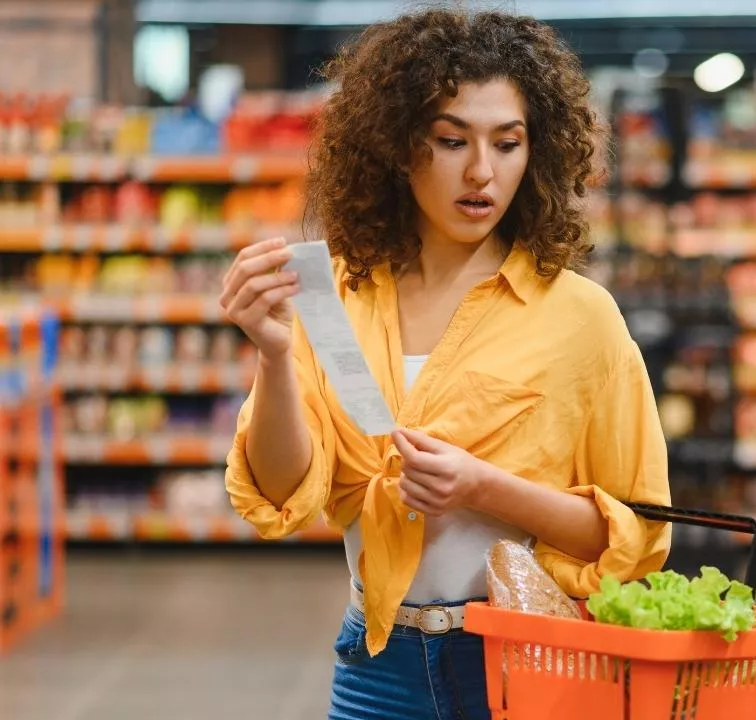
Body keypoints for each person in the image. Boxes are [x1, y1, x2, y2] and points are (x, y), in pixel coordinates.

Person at [220, 9, 672, 720]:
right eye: (452, 140)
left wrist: (483, 486)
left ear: (538, 153)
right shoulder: (337, 298)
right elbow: (281, 492)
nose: (482, 171)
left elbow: (634, 534)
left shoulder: (581, 317)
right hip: (375, 666)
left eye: (508, 143)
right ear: (400, 147)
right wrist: (274, 357)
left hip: (529, 663)